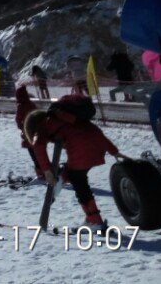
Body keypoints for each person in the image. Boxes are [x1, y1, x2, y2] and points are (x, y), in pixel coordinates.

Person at [24, 96, 128, 230]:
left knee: (79, 181)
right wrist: (114, 151)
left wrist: (47, 171)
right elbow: (94, 131)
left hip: (80, 150)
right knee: (77, 176)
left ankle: (95, 221)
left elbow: (37, 145)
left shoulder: (43, 126)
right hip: (96, 147)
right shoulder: (66, 118)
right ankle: (63, 179)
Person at [13, 86, 43, 179]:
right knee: (40, 153)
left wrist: (21, 127)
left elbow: (18, 121)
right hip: (37, 132)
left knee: (34, 155)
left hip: (28, 134)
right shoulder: (32, 104)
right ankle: (46, 170)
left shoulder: (21, 107)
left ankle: (40, 173)